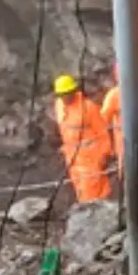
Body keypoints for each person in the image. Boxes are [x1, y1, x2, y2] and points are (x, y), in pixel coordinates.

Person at [53, 73, 113, 203]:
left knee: (92, 191)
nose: (65, 97)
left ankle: (94, 216)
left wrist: (104, 154)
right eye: (62, 94)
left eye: (67, 93)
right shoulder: (59, 106)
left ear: (74, 91)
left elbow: (103, 133)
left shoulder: (88, 108)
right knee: (79, 189)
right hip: (73, 159)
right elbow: (63, 129)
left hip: (91, 158)